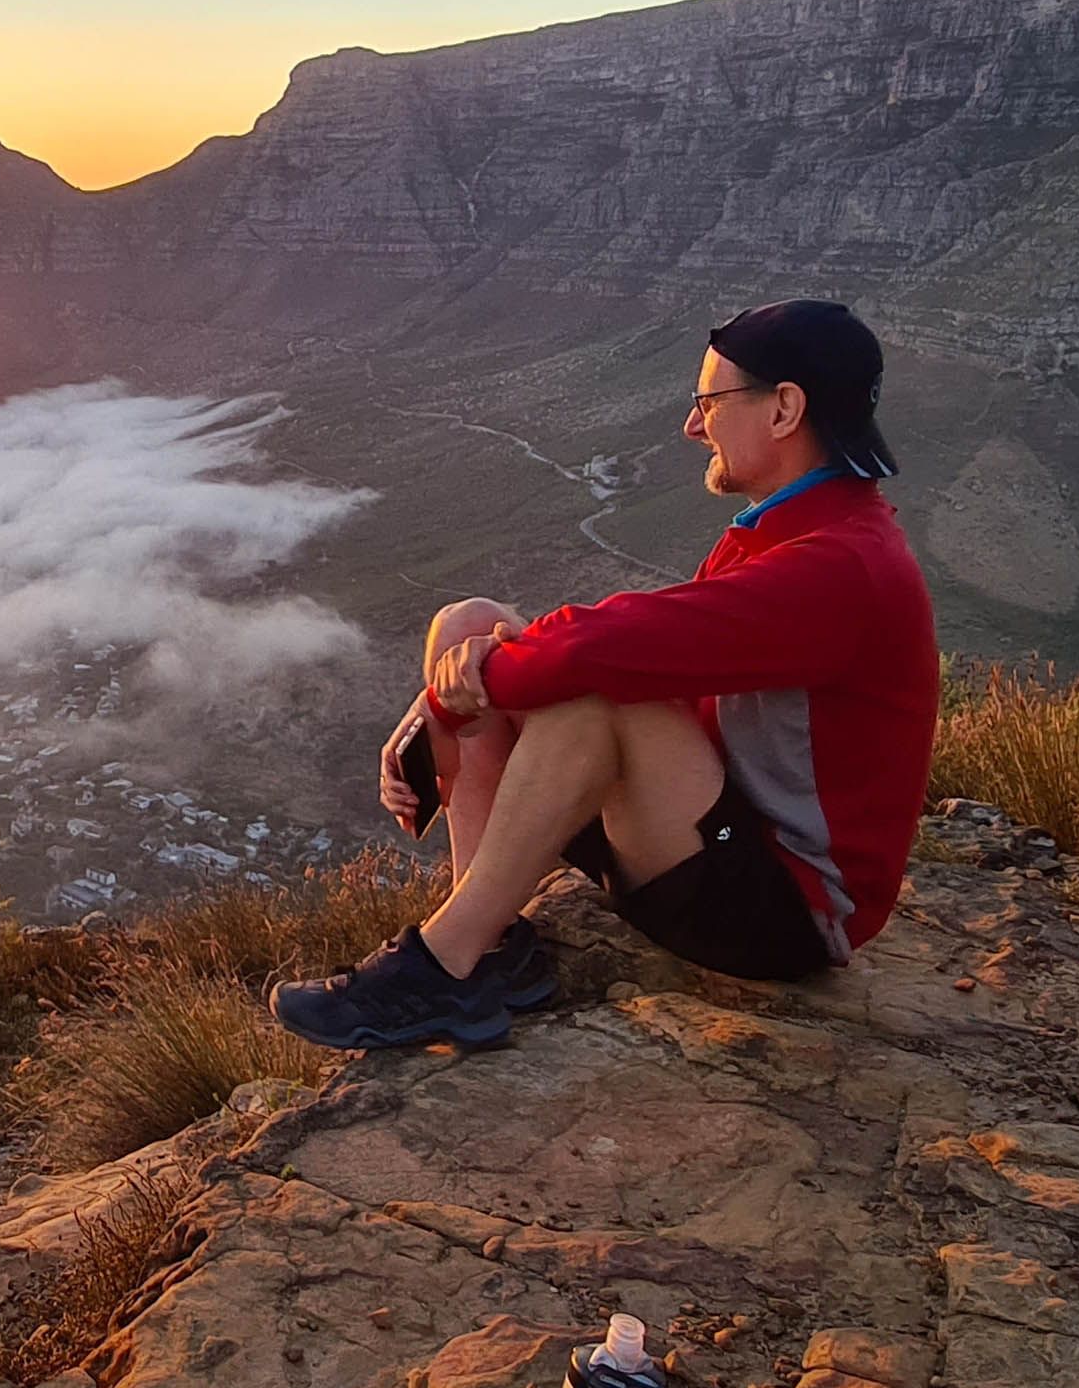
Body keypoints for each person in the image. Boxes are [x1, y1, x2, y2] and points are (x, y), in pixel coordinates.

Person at [274, 301, 939, 1051]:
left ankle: (442, 964)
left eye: (709, 403)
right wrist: (445, 700)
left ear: (785, 408)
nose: (694, 428)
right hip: (708, 835)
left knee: (593, 698)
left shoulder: (842, 568)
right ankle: (487, 943)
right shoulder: (791, 530)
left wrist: (443, 708)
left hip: (785, 911)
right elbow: (643, 651)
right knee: (469, 623)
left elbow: (612, 652)